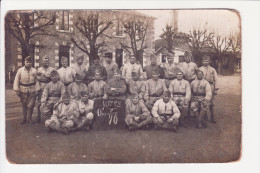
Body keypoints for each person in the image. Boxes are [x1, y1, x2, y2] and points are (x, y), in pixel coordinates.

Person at [13, 56, 40, 124]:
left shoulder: (34, 71)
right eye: (27, 62)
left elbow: (37, 81)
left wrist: (37, 90)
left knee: (31, 105)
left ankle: (29, 119)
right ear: (24, 62)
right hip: (23, 90)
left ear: (32, 62)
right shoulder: (20, 70)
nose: (28, 63)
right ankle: (24, 119)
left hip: (32, 90)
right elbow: (16, 80)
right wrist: (16, 89)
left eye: (30, 62)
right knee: (24, 105)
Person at [199, 55, 218, 123]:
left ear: (209, 61)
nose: (205, 62)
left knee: (211, 103)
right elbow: (198, 78)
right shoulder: (200, 69)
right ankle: (205, 116)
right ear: (202, 62)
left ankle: (212, 117)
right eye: (204, 61)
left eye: (207, 61)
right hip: (203, 86)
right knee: (204, 101)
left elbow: (216, 79)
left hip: (211, 86)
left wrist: (215, 88)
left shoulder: (213, 69)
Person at [36, 56, 55, 123]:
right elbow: (37, 79)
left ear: (48, 61)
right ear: (42, 61)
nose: (45, 62)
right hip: (41, 87)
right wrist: (37, 88)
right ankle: (38, 118)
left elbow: (54, 78)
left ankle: (51, 117)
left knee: (50, 102)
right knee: (40, 102)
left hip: (50, 88)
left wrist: (48, 77)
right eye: (44, 61)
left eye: (47, 61)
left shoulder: (52, 69)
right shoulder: (39, 70)